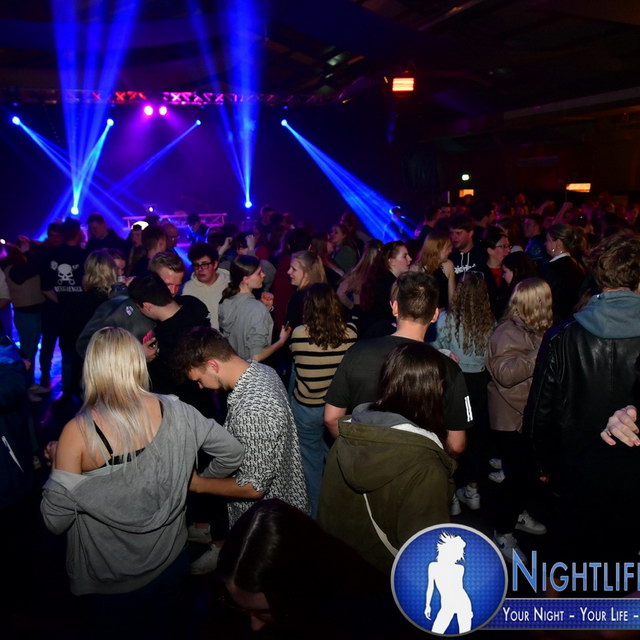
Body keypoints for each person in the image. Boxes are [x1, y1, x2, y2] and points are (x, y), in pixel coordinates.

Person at [41, 328, 245, 639]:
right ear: (138, 362)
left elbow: (54, 521)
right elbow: (232, 452)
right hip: (172, 562)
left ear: (92, 367)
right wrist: (194, 480)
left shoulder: (78, 433)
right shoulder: (178, 410)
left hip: (113, 579)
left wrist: (59, 461)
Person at [526, 234, 640, 575]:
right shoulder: (562, 335)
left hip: (575, 467)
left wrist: (544, 466)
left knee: (566, 557)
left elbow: (539, 412)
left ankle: (557, 609)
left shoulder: (563, 334)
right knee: (622, 566)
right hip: (632, 473)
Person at [174, 328, 310, 571]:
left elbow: (253, 487)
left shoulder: (253, 411)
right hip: (284, 500)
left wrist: (198, 484)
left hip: (265, 520)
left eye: (199, 379)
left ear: (213, 365)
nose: (201, 387)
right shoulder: (262, 371)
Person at [318, 342, 456, 574]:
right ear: (436, 389)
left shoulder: (347, 438)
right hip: (387, 582)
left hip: (338, 571)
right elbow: (425, 556)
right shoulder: (426, 468)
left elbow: (327, 515)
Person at [324, 271, 471, 456]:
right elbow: (456, 444)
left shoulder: (357, 352)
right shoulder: (449, 368)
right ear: (435, 314)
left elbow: (331, 418)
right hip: (418, 467)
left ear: (395, 307)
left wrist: (353, 450)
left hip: (363, 460)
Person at [216, 499, 409, 638]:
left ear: (302, 587)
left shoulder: (371, 620)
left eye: (267, 611)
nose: (254, 626)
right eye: (238, 607)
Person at [486, 278, 552, 563]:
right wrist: (539, 355)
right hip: (511, 417)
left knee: (525, 476)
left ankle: (517, 514)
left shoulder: (535, 328)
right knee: (516, 477)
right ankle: (503, 531)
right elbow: (504, 374)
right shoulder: (507, 331)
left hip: (527, 415)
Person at [289, 283, 357, 517]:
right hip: (337, 408)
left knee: (311, 465)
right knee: (336, 456)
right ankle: (341, 509)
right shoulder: (350, 334)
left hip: (306, 408)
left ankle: (318, 517)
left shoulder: (298, 334)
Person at [430, 272, 494, 513]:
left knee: (450, 437)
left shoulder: (446, 318)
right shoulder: (490, 321)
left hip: (455, 381)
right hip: (479, 383)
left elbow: (435, 348)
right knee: (475, 438)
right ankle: (472, 489)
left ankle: (451, 496)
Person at [218, 255, 289, 362]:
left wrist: (265, 309)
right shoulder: (257, 308)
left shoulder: (226, 300)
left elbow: (241, 324)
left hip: (231, 366)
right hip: (249, 370)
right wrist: (281, 342)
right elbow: (256, 356)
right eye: (259, 273)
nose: (264, 275)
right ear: (246, 279)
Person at [358, 240, 412, 338]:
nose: (410, 259)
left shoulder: (379, 278)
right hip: (381, 336)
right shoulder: (390, 285)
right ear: (391, 261)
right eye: (405, 256)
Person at [425, 532, 472, 634]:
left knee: (465, 632)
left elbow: (459, 589)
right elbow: (430, 587)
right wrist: (427, 605)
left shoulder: (460, 568)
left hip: (463, 603)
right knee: (436, 631)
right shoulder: (433, 566)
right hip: (447, 605)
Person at [541, 223, 586, 322]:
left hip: (554, 321)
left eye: (548, 240)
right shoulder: (578, 265)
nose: (545, 244)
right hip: (572, 320)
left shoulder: (551, 268)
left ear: (557, 243)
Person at [182, 243, 230, 330]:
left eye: (204, 265)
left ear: (215, 264)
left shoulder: (229, 283)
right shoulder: (188, 289)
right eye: (196, 265)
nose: (200, 269)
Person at [412, 230, 456, 310]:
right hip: (423, 314)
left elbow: (452, 300)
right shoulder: (416, 270)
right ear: (437, 249)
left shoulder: (448, 265)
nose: (450, 250)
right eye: (448, 247)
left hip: (443, 314)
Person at [285, 250, 326, 332]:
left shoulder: (299, 297)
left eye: (294, 269)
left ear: (307, 274)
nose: (288, 272)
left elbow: (288, 328)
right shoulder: (325, 293)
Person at [480, 228, 511, 319]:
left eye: (508, 246)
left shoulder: (511, 271)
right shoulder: (479, 274)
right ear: (490, 250)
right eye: (503, 246)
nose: (508, 250)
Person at [449, 214, 485, 279]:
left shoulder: (482, 254)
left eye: (458, 233)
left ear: (470, 233)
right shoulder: (449, 255)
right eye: (451, 233)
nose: (453, 237)